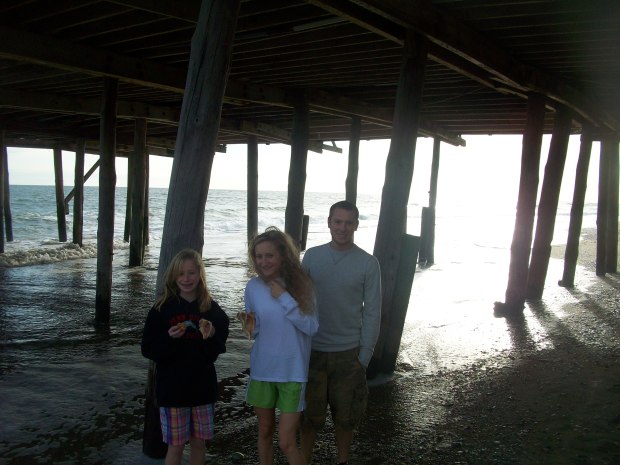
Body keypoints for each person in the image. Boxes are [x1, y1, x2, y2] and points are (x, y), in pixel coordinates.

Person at [300, 200, 381, 465]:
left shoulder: (368, 263)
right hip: (312, 351)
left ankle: (342, 460)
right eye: (337, 221)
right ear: (329, 223)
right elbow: (297, 301)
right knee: (309, 417)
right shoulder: (312, 257)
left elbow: (372, 312)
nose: (342, 228)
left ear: (356, 225)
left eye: (348, 223)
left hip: (349, 353)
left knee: (346, 417)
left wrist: (364, 355)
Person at [141, 248, 230, 465]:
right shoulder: (161, 309)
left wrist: (212, 334)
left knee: (199, 444)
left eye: (191, 273)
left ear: (200, 275)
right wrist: (168, 338)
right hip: (172, 391)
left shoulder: (211, 309)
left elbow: (217, 348)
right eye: (181, 274)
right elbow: (148, 349)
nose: (186, 279)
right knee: (176, 446)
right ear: (173, 276)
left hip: (203, 389)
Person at [240, 227, 319, 465]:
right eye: (258, 256)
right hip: (262, 369)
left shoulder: (302, 284)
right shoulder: (252, 287)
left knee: (286, 442)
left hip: (292, 372)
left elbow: (311, 327)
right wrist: (249, 325)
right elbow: (256, 331)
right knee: (264, 431)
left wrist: (284, 297)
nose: (263, 261)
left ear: (283, 255)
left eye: (269, 255)